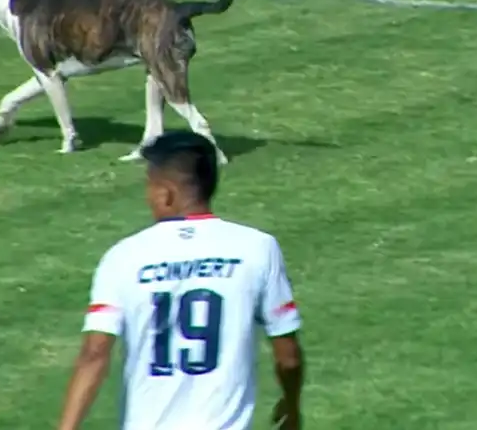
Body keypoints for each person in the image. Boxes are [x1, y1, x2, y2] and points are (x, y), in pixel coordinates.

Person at [55, 131, 305, 430]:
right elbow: (288, 356)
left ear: (166, 193)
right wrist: (291, 406)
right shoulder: (257, 247)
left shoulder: (123, 256)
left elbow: (94, 353)